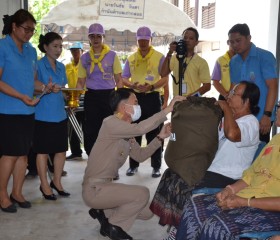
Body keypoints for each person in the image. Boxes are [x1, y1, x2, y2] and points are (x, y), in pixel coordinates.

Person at [150, 81, 260, 230]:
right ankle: (176, 225)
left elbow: (233, 134)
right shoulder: (226, 118)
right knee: (171, 175)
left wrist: (226, 108)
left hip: (229, 176)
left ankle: (183, 229)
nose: (229, 95)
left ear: (247, 101)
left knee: (183, 185)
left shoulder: (251, 122)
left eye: (234, 93)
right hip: (211, 169)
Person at [82, 88, 185, 240]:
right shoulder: (110, 123)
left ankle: (102, 212)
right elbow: (140, 129)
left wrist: (160, 137)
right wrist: (168, 109)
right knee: (142, 193)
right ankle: (113, 226)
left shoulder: (126, 133)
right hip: (94, 189)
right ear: (124, 107)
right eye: (135, 102)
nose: (138, 105)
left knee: (148, 212)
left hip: (106, 187)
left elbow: (140, 155)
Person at [176, 100, 280, 239]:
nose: (277, 110)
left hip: (271, 210)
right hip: (249, 196)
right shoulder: (276, 140)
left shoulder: (250, 122)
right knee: (194, 207)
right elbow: (251, 175)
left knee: (217, 226)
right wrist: (229, 190)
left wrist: (244, 202)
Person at [0, 9, 50, 213]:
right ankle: (2, 195)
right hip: (8, 111)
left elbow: (32, 82)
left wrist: (46, 87)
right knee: (9, 155)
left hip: (28, 112)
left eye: (32, 30)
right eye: (26, 29)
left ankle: (17, 192)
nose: (29, 33)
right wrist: (21, 97)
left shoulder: (31, 51)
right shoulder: (3, 47)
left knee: (22, 155)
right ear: (14, 27)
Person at [122, 26, 168, 178]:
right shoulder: (131, 58)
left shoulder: (159, 57)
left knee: (154, 132)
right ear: (137, 40)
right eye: (140, 40)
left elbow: (165, 78)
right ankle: (133, 166)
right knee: (134, 133)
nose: (142, 42)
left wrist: (152, 86)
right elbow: (123, 78)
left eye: (145, 40)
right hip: (135, 99)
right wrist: (132, 85)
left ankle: (156, 166)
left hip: (153, 97)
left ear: (151, 40)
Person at [33, 32, 70, 201]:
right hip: (43, 115)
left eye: (60, 46)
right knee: (42, 151)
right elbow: (32, 88)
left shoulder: (62, 67)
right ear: (45, 47)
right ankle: (44, 184)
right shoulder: (38, 65)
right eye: (55, 46)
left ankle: (56, 181)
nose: (58, 50)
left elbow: (62, 90)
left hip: (60, 114)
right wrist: (44, 88)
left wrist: (69, 96)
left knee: (61, 150)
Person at [76, 23, 123, 156]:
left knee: (110, 128)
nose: (96, 39)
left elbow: (119, 79)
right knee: (91, 129)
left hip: (109, 96)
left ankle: (111, 163)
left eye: (98, 36)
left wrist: (120, 101)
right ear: (89, 38)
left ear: (103, 37)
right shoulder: (84, 58)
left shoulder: (112, 55)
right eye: (92, 36)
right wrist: (73, 97)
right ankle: (93, 159)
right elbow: (80, 81)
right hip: (91, 96)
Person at [228, 23, 278, 143]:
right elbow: (233, 89)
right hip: (240, 118)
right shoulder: (234, 61)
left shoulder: (265, 57)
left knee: (258, 155)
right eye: (231, 42)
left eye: (238, 40)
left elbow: (273, 87)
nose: (234, 45)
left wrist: (267, 115)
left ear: (249, 38)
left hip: (261, 117)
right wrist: (229, 114)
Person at [161, 27, 211, 97]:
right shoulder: (175, 57)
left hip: (192, 103)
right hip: (177, 102)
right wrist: (170, 52)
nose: (187, 40)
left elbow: (207, 86)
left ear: (196, 42)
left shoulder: (201, 62)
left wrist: (192, 97)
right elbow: (163, 74)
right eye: (185, 38)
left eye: (191, 38)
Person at [65, 41, 84, 160]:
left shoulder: (85, 65)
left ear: (82, 51)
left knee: (86, 126)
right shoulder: (67, 66)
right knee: (72, 124)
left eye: (77, 50)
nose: (75, 53)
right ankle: (76, 152)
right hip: (72, 97)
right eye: (72, 51)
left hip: (85, 97)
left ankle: (89, 150)